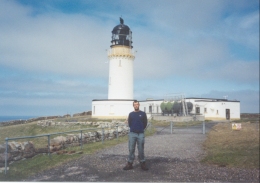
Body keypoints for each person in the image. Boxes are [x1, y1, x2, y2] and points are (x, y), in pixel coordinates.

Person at [123, 100, 149, 171]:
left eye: (137, 104)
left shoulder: (143, 114)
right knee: (131, 149)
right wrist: (134, 129)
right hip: (132, 134)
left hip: (140, 133)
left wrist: (140, 129)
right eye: (135, 104)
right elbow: (129, 123)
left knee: (141, 149)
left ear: (139, 105)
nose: (136, 106)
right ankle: (130, 163)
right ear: (133, 105)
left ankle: (142, 163)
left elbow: (145, 123)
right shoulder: (131, 114)